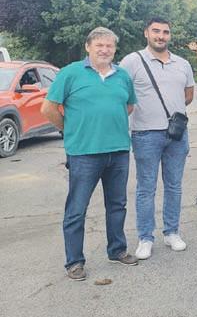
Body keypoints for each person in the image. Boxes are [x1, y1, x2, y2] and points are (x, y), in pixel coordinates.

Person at [41, 27, 138, 280]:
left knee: (117, 205)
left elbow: (128, 106)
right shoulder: (70, 73)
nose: (105, 50)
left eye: (109, 46)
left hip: (118, 151)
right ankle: (74, 261)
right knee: (77, 208)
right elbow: (48, 108)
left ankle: (117, 250)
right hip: (84, 153)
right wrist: (70, 130)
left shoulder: (122, 76)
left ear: (114, 49)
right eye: (99, 45)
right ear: (88, 47)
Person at [120, 18, 195, 260]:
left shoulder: (182, 64)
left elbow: (188, 95)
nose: (161, 36)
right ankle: (145, 237)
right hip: (145, 134)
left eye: (165, 32)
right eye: (156, 31)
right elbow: (121, 94)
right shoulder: (131, 61)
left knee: (174, 186)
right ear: (146, 33)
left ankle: (172, 232)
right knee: (146, 188)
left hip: (177, 134)